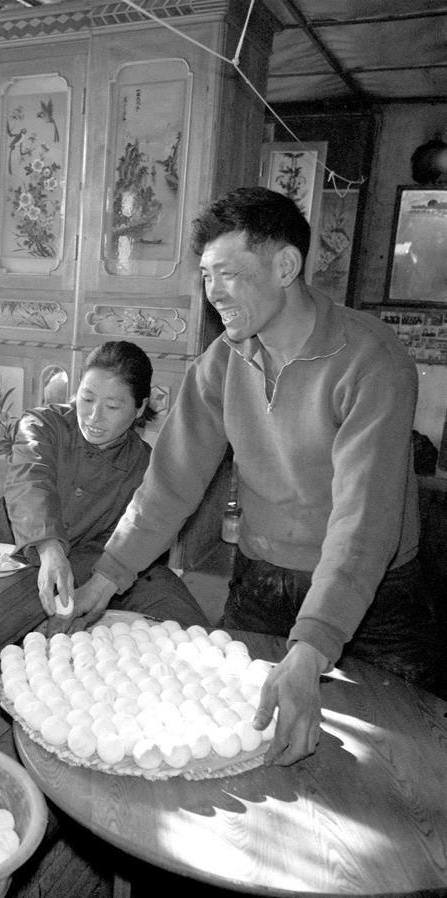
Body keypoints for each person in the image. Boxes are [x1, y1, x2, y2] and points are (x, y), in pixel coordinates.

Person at [72, 186, 440, 766]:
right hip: (263, 578)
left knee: (391, 763)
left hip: (372, 598)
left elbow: (363, 522)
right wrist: (108, 574)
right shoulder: (222, 361)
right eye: (205, 275)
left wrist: (314, 643)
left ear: (286, 265)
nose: (213, 291)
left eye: (228, 273)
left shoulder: (371, 360)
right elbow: (170, 482)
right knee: (241, 743)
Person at [0, 341, 208, 629]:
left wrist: (87, 589)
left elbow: (123, 542)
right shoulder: (41, 425)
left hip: (84, 565)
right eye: (87, 399)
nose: (93, 416)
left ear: (140, 408)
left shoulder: (145, 467)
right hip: (5, 552)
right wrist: (49, 548)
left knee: (170, 601)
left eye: (112, 406)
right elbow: (30, 483)